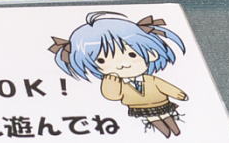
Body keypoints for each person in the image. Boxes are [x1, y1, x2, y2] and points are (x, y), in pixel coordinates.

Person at [51, 11, 188, 138]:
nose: (122, 65)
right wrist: (109, 84)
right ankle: (167, 135)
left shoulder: (151, 79)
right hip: (140, 107)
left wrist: (178, 94)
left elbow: (164, 86)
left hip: (162, 103)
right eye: (101, 60)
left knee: (167, 117)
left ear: (152, 54)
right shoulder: (116, 83)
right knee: (154, 119)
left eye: (132, 54)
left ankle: (176, 133)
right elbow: (112, 96)